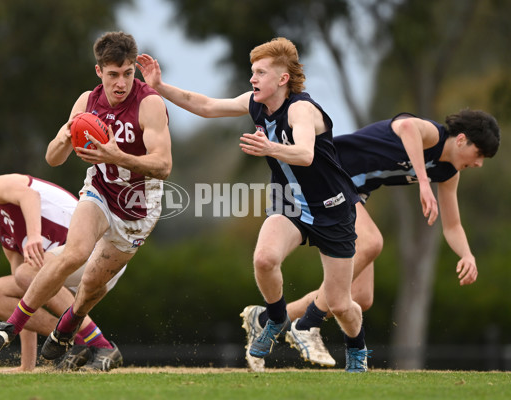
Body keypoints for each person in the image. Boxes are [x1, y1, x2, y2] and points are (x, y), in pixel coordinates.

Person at [137, 37, 369, 373]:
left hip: (332, 209)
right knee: (264, 258)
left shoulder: (302, 109)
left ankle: (358, 350)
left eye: (260, 72)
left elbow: (305, 154)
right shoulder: (256, 104)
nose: (253, 78)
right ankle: (275, 319)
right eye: (252, 71)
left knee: (340, 303)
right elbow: (204, 105)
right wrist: (159, 87)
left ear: (282, 79)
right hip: (290, 203)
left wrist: (269, 149)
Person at [240, 108, 501, 370]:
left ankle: (265, 320)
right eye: (479, 154)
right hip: (329, 176)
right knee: (371, 242)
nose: (478, 163)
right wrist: (423, 182)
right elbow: (408, 126)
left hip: (353, 192)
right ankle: (308, 324)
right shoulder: (432, 135)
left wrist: (467, 254)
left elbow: (452, 225)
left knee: (361, 298)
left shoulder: (448, 173)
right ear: (461, 139)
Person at [0, 31, 172, 365]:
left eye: (127, 73)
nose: (121, 83)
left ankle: (66, 328)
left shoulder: (149, 103)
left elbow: (164, 165)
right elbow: (53, 158)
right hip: (98, 192)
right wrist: (67, 135)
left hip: (136, 211)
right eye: (113, 75)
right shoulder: (86, 102)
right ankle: (10, 326)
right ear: (99, 72)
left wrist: (116, 155)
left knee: (89, 291)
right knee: (74, 253)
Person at [0, 169, 125, 371]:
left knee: (26, 273)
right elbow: (28, 296)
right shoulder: (6, 234)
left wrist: (34, 236)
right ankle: (80, 342)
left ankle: (101, 345)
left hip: (101, 250)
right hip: (79, 266)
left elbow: (30, 195)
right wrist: (26, 366)